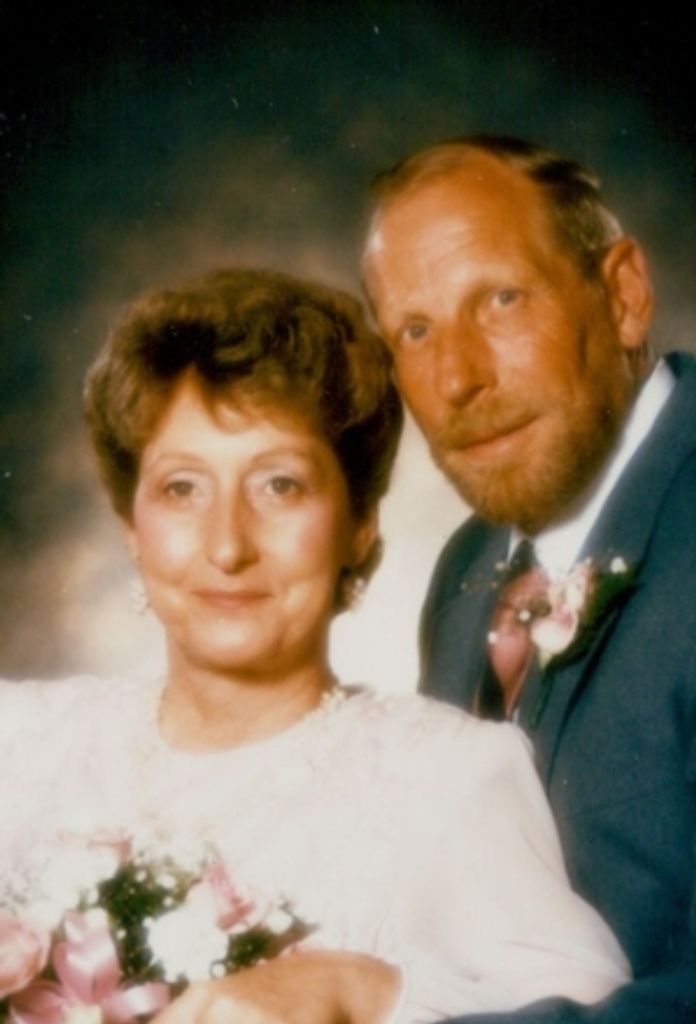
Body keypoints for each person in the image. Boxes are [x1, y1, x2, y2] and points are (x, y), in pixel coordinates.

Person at [0, 268, 629, 1024]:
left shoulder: (448, 779)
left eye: (280, 486)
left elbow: (608, 1014)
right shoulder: (20, 743)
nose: (227, 546)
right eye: (182, 489)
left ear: (358, 525)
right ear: (133, 528)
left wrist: (366, 992)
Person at [361, 135, 696, 1022]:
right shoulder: (468, 571)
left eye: (501, 300)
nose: (456, 378)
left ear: (623, 297)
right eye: (415, 330)